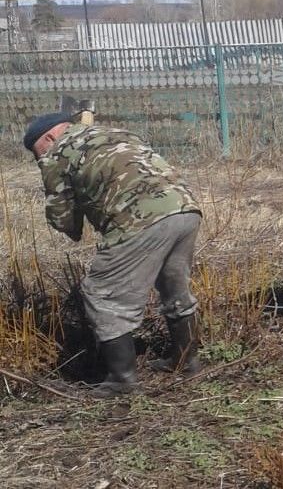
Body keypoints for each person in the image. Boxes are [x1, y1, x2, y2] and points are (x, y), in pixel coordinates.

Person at [24, 113, 203, 397]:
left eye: (38, 154)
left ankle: (122, 381)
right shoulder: (113, 132)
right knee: (173, 285)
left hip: (140, 218)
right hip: (184, 207)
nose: (40, 160)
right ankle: (187, 359)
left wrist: (74, 222)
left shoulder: (56, 152)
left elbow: (62, 218)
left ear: (48, 138)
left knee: (102, 293)